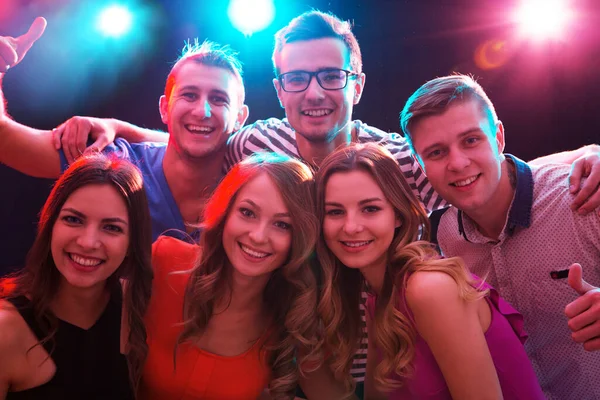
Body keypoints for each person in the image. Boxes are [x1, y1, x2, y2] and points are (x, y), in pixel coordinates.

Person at [400, 74, 600, 399]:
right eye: (436, 152)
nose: (458, 163)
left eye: (471, 140)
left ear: (499, 137)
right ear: (421, 165)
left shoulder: (582, 197)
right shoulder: (448, 235)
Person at [315, 142, 544, 399]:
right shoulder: (377, 296)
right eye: (335, 212)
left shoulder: (428, 289)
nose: (351, 227)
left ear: (398, 214)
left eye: (370, 209)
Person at [0, 17, 249, 241]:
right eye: (189, 95)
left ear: (240, 117)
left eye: (218, 99)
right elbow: (7, 142)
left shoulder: (253, 189)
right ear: (164, 108)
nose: (201, 111)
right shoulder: (116, 160)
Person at [139, 152, 327, 400]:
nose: (259, 236)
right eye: (248, 213)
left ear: (300, 238)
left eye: (282, 225)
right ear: (225, 212)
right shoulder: (163, 261)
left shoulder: (291, 318)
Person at [0, 153, 154, 399]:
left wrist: (118, 128)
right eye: (73, 219)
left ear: (132, 243)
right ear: (50, 225)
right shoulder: (5, 330)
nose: (88, 242)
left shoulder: (132, 308)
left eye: (112, 228)